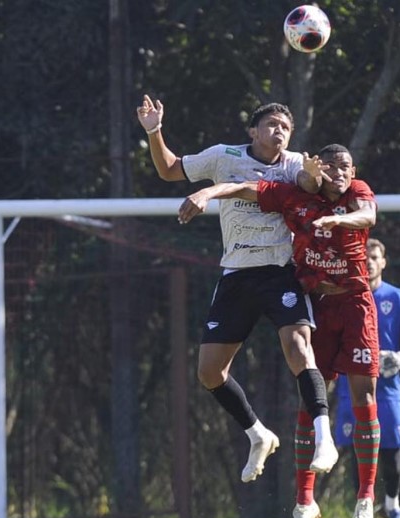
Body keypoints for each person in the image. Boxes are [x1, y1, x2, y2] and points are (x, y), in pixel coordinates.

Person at [135, 95, 338, 488]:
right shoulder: (223, 156)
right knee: (210, 373)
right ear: (252, 131)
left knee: (299, 348)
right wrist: (154, 130)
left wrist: (313, 177)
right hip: (237, 274)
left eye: (285, 127)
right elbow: (170, 170)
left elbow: (307, 182)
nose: (278, 131)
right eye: (271, 125)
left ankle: (324, 438)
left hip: (281, 272)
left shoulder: (295, 163)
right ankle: (258, 434)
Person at [184, 144, 381, 518]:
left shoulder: (356, 191)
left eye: (345, 166)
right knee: (305, 387)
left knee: (363, 394)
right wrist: (205, 193)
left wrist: (338, 222)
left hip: (356, 301)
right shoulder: (293, 194)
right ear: (315, 170)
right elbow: (241, 189)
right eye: (330, 167)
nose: (338, 173)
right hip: (319, 303)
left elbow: (367, 215)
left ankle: (366, 497)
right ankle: (304, 500)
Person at [334, 238, 400, 518]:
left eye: (375, 257)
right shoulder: (344, 297)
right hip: (353, 388)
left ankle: (392, 504)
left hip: (388, 391)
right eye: (365, 257)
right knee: (358, 455)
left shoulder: (397, 298)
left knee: (392, 456)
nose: (369, 262)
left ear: (383, 262)